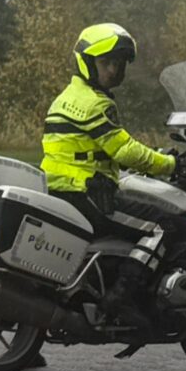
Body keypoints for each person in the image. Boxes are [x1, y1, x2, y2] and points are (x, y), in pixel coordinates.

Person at [41, 23, 175, 232]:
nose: (113, 70)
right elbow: (125, 151)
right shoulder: (96, 103)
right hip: (87, 196)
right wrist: (171, 164)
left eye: (119, 63)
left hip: (58, 191)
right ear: (87, 62)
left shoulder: (65, 98)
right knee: (169, 226)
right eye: (106, 62)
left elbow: (85, 150)